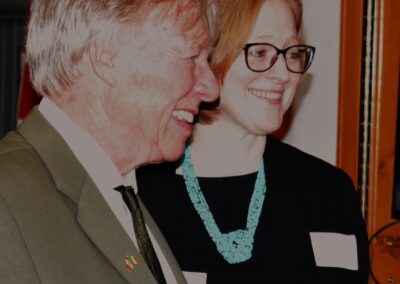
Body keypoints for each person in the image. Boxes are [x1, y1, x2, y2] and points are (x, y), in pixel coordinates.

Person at [138, 0, 370, 283]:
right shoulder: (140, 192)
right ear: (206, 56)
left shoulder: (328, 192)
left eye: (292, 52)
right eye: (260, 52)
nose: (284, 74)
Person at [0, 0, 219, 283]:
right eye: (192, 57)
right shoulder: (7, 202)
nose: (211, 88)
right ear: (107, 55)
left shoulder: (124, 196)